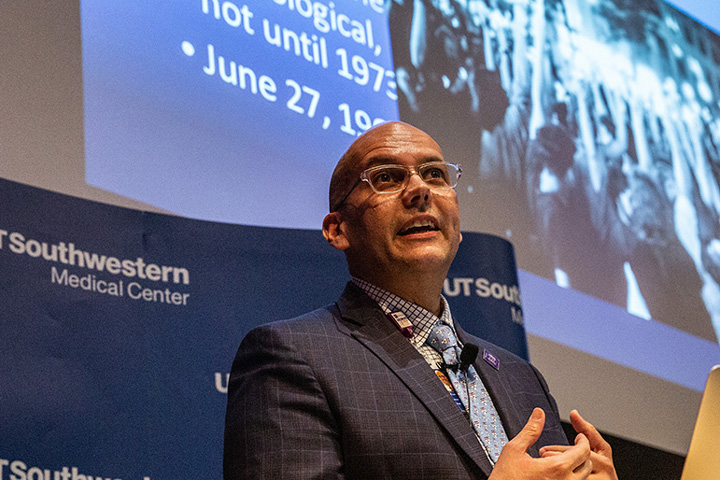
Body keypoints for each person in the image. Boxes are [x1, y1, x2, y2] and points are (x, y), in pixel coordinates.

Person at [223, 122, 618, 479]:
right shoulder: (292, 356)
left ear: (456, 228)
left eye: (434, 174)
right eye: (387, 178)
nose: (419, 190)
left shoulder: (521, 378)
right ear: (338, 229)